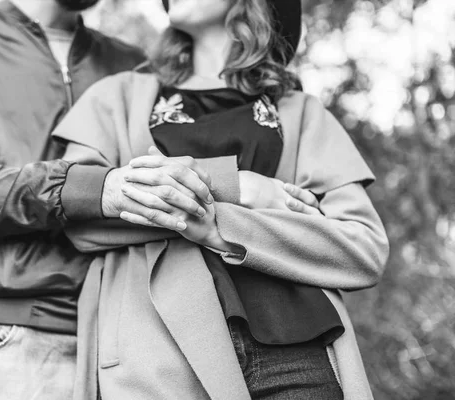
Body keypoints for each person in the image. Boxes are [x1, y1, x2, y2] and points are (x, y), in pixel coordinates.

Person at [0, 0, 318, 399]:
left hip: (136, 343)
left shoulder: (133, 65)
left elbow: (167, 183)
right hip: (14, 336)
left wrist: (235, 184)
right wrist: (96, 188)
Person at [52, 0, 390, 399]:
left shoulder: (300, 112)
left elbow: (363, 248)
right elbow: (79, 210)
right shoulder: (117, 96)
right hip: (158, 354)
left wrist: (218, 227)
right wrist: (238, 186)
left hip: (299, 354)